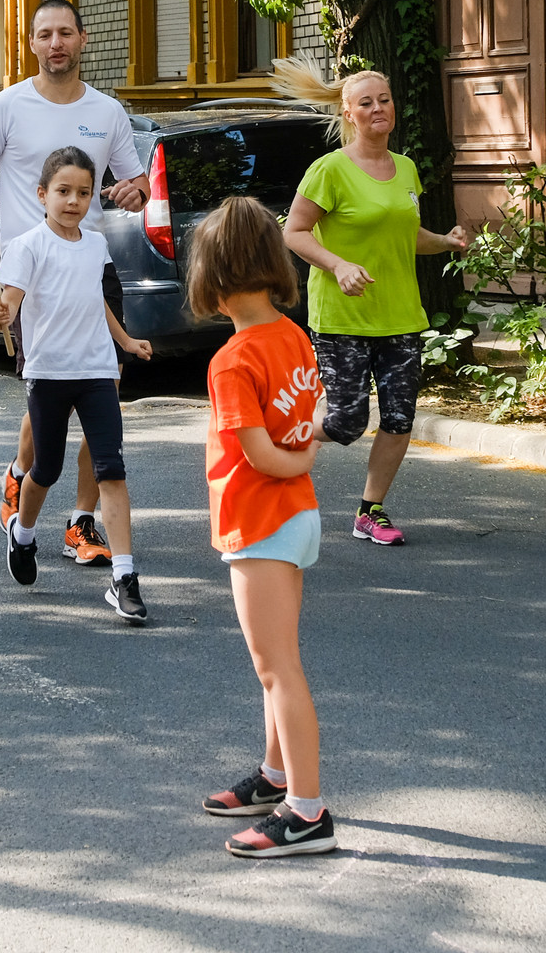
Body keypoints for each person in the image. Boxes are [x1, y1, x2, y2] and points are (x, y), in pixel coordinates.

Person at [0, 0, 149, 570]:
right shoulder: (5, 107)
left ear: (82, 39)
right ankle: (22, 473)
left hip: (93, 263)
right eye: (45, 34)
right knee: (49, 391)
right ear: (32, 43)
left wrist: (134, 192)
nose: (56, 43)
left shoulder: (107, 111)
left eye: (65, 32)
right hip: (31, 270)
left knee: (102, 388)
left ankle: (81, 521)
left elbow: (137, 182)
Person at [189, 196, 338, 857]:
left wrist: (299, 459)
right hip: (296, 517)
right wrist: (305, 457)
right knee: (275, 662)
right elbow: (308, 421)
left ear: (212, 276)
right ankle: (277, 777)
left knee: (278, 668)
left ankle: (306, 812)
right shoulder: (293, 337)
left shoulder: (232, 360)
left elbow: (260, 455)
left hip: (260, 520)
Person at [273, 58, 467, 546]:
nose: (378, 108)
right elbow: (295, 232)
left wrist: (444, 242)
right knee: (346, 422)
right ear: (349, 113)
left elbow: (405, 235)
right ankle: (275, 441)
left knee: (400, 418)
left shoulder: (406, 169)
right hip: (343, 316)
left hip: (399, 314)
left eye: (384, 100)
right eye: (366, 103)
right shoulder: (329, 170)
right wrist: (338, 265)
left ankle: (370, 511)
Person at [0, 147, 154, 622]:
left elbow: (95, 299)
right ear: (42, 194)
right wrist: (1, 313)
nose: (73, 201)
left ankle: (124, 577)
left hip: (97, 370)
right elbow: (11, 301)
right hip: (49, 373)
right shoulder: (28, 246)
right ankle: (23, 534)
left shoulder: (96, 245)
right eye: (63, 191)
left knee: (111, 471)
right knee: (47, 469)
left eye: (83, 192)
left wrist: (125, 341)